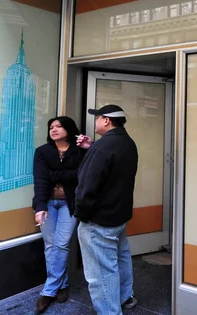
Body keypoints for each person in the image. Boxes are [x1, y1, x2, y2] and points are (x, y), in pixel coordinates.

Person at [75, 104, 139, 315]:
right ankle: (125, 297)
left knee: (101, 272)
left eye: (97, 118)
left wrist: (82, 216)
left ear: (106, 121)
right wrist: (92, 148)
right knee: (120, 258)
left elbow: (87, 188)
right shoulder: (127, 143)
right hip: (119, 216)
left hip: (99, 221)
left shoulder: (102, 148)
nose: (95, 122)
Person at [32, 116, 86, 314]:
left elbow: (83, 175)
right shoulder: (42, 152)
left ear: (69, 129)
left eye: (59, 126)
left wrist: (55, 174)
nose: (54, 129)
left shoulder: (79, 151)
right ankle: (61, 285)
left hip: (69, 204)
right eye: (51, 127)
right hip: (46, 203)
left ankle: (48, 290)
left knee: (61, 244)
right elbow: (40, 180)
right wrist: (39, 207)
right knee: (50, 245)